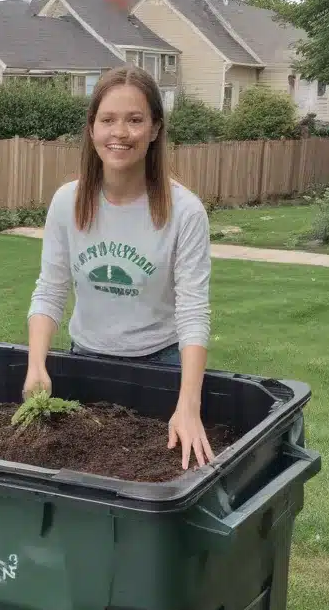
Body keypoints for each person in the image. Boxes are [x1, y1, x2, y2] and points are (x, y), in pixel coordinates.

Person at [25, 65, 214, 470]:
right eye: (107, 119)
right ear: (92, 129)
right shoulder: (67, 202)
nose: (120, 132)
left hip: (159, 367)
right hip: (84, 362)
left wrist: (188, 405)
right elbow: (50, 290)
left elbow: (193, 312)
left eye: (135, 120)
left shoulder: (185, 212)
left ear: (156, 129)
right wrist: (37, 365)